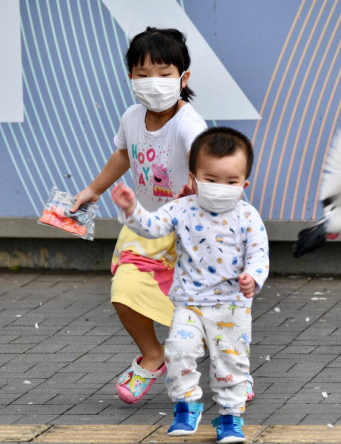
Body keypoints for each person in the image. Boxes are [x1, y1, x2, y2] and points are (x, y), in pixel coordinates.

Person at [70, 27, 208, 404]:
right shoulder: (132, 117)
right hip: (146, 227)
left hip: (192, 232)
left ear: (183, 78)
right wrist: (92, 190)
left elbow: (206, 157)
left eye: (164, 73)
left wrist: (199, 185)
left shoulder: (188, 123)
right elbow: (124, 154)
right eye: (142, 73)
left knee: (207, 313)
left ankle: (232, 375)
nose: (153, 82)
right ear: (130, 76)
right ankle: (152, 357)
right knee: (125, 292)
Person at [111, 127, 269, 444]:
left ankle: (230, 419)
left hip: (232, 306)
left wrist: (253, 277)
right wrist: (132, 209)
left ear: (244, 184)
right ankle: (187, 407)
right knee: (180, 352)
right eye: (210, 179)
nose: (220, 188)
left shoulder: (248, 217)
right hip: (190, 304)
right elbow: (152, 227)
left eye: (231, 182)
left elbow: (259, 254)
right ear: (194, 178)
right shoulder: (182, 208)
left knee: (230, 363)